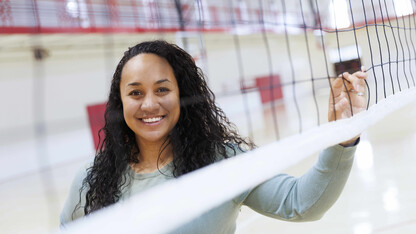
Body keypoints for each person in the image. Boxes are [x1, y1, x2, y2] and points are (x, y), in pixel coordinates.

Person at [60, 40, 367, 233]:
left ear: (185, 96)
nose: (149, 104)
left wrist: (343, 137)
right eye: (136, 93)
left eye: (163, 89)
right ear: (120, 102)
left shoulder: (223, 163)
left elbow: (302, 203)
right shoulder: (91, 178)